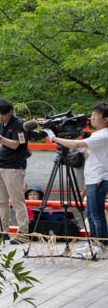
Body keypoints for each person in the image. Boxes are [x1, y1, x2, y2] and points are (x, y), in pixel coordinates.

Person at [46, 103, 108, 244]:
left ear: (106, 119)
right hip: (94, 178)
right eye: (91, 115)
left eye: (95, 116)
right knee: (91, 215)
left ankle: (102, 244)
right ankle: (95, 243)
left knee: (96, 216)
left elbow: (75, 145)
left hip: (98, 179)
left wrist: (53, 138)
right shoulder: (98, 134)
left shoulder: (103, 135)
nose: (91, 118)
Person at [0, 99, 29, 238]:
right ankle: (3, 231)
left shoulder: (19, 124)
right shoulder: (2, 124)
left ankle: (23, 233)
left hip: (14, 167)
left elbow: (16, 144)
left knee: (17, 201)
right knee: (1, 201)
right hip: (1, 165)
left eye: (2, 115)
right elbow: (5, 144)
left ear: (10, 112)